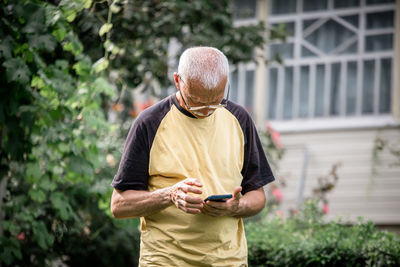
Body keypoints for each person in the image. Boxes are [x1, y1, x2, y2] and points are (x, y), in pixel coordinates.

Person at [110, 46, 275, 266]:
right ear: (178, 81)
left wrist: (237, 207)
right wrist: (169, 195)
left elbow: (257, 197)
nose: (206, 110)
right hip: (165, 260)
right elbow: (119, 205)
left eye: (216, 100)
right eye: (196, 101)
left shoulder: (239, 119)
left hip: (228, 260)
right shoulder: (149, 122)